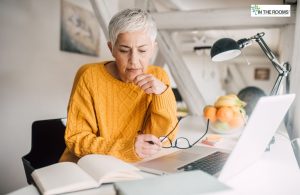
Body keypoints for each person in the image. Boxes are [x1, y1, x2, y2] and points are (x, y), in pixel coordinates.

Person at [59, 8, 178, 163]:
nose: (134, 60)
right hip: (85, 166)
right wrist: (126, 148)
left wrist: (163, 95)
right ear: (112, 49)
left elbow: (162, 140)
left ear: (153, 50)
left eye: (142, 50)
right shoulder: (89, 75)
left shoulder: (159, 77)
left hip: (135, 166)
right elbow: (76, 139)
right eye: (124, 50)